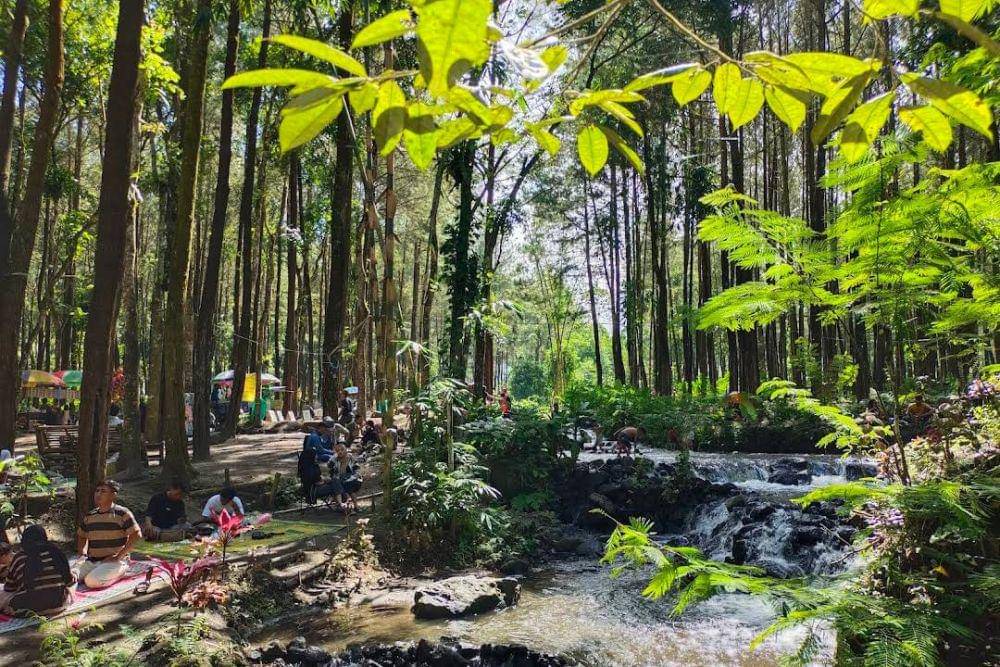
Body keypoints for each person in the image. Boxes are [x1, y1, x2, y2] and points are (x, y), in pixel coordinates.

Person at [76, 479, 142, 589]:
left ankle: (122, 572)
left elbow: (136, 535)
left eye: (103, 491)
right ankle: (97, 572)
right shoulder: (90, 516)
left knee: (91, 581)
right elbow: (82, 535)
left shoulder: (123, 513)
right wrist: (82, 555)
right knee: (68, 577)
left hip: (116, 561)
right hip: (92, 561)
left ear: (113, 495)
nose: (98, 494)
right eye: (97, 491)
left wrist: (119, 556)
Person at [1, 524, 74, 616]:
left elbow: (9, 588)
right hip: (60, 605)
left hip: (30, 609)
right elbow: (69, 582)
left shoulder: (20, 557)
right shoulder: (57, 553)